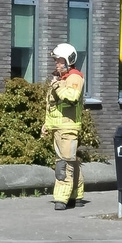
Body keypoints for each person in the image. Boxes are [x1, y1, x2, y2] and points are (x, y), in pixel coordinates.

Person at [42, 43, 85, 210]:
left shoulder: (74, 77)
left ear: (68, 61)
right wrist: (48, 124)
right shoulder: (62, 78)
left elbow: (72, 97)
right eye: (56, 61)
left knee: (64, 164)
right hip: (60, 127)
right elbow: (54, 107)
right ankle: (77, 194)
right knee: (70, 162)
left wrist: (56, 85)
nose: (56, 64)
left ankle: (61, 199)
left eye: (60, 61)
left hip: (68, 128)